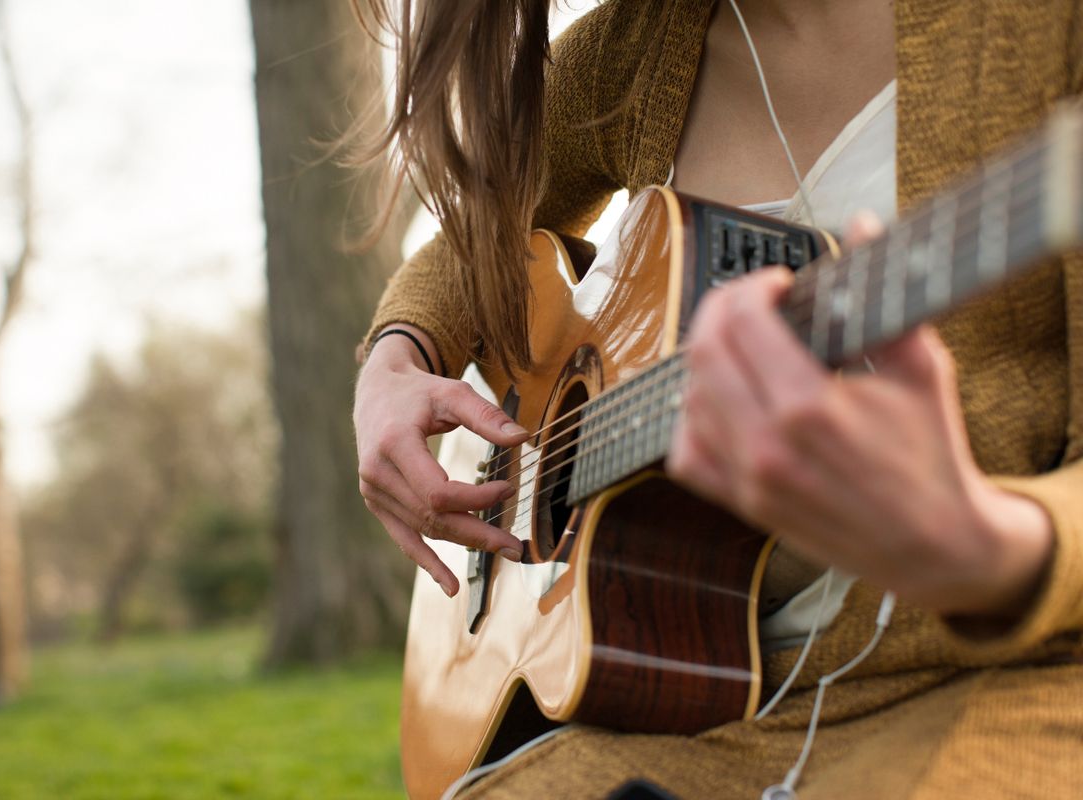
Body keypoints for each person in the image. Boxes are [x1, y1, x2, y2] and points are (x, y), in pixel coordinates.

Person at [353, 0, 1083, 796]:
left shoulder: (1048, 27)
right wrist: (396, 361)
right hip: (706, 721)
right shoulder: (634, 49)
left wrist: (982, 546)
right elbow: (478, 232)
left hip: (1017, 690)